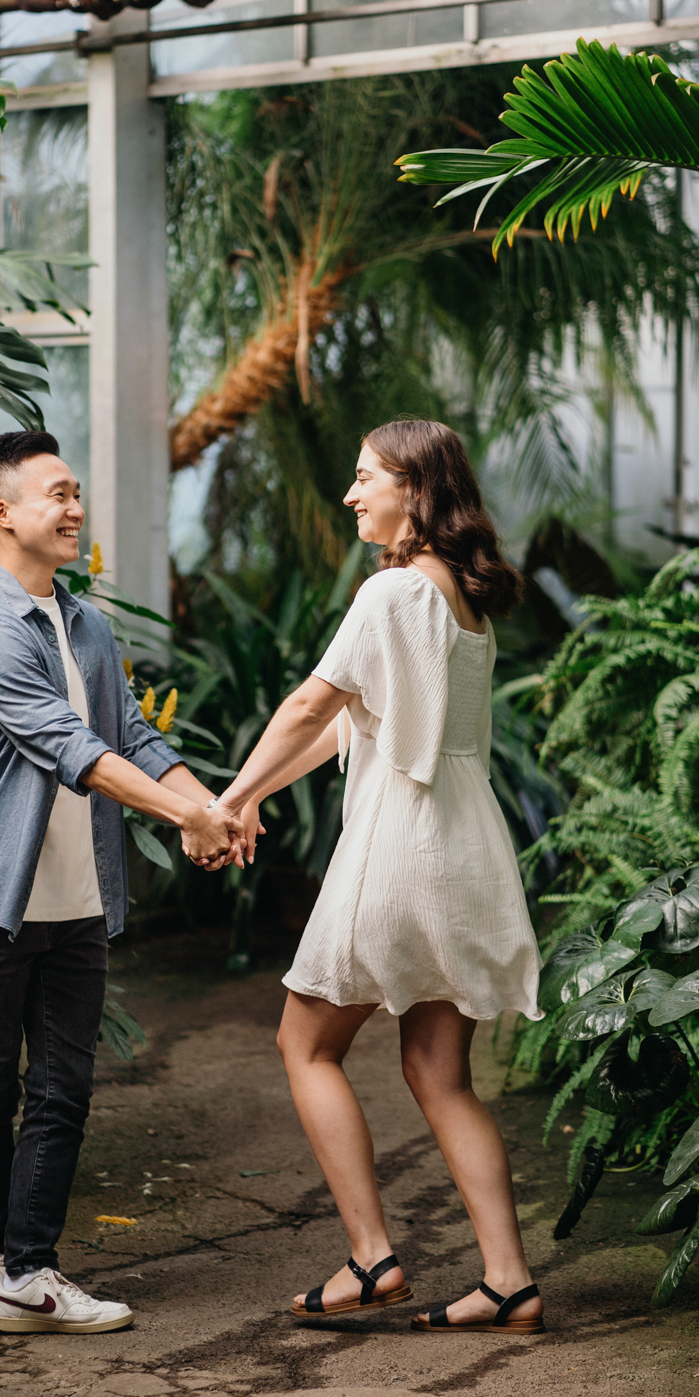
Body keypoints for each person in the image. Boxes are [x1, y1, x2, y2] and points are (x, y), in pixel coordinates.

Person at [207, 419, 545, 1335]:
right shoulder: (462, 602)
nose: (352, 495)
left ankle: (371, 1255)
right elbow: (340, 730)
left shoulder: (392, 594)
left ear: (416, 490)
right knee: (442, 1075)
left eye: (366, 478)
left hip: (399, 850)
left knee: (304, 1044)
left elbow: (311, 702)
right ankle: (509, 1281)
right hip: (467, 853)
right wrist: (248, 797)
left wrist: (226, 800)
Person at [0, 429, 244, 1336]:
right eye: (56, 495)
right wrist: (183, 819)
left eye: (77, 494)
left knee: (63, 1092)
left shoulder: (88, 625)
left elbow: (136, 740)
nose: (75, 510)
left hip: (76, 900)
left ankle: (22, 1268)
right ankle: (1, 1264)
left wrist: (214, 802)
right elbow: (76, 752)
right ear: (3, 514)